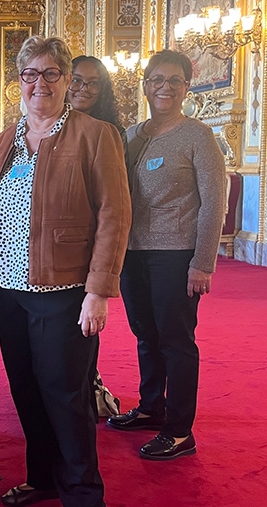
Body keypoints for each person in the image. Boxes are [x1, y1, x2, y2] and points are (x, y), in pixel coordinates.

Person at [0, 35, 131, 507]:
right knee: (25, 389)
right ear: (18, 82)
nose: (39, 83)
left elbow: (114, 214)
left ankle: (83, 495)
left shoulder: (94, 134)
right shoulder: (6, 139)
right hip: (9, 289)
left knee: (66, 397)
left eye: (50, 74)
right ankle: (42, 477)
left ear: (67, 80)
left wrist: (98, 290)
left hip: (64, 291)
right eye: (29, 74)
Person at [106, 49, 227, 461]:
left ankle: (178, 430)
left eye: (175, 80)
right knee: (145, 333)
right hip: (133, 252)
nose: (165, 87)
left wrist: (202, 263)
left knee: (176, 340)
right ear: (145, 85)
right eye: (157, 79)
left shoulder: (197, 135)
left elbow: (214, 203)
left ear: (186, 87)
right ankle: (151, 407)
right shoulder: (131, 135)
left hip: (176, 254)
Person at [66, 55, 127, 422]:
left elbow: (112, 202)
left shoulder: (107, 131)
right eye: (76, 80)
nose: (82, 89)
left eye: (92, 83)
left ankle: (88, 386)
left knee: (84, 324)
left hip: (91, 247)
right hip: (62, 248)